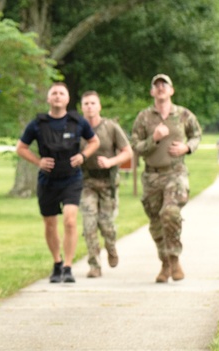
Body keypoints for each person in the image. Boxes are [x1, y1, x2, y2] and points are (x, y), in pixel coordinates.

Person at [17, 82, 99, 284]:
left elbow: (94, 141)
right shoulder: (38, 123)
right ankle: (57, 262)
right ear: (48, 98)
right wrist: (38, 161)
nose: (57, 96)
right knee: (50, 223)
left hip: (72, 178)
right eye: (54, 93)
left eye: (62, 93)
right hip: (47, 181)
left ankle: (68, 267)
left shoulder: (77, 121)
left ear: (68, 98)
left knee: (70, 221)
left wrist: (83, 155)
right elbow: (21, 148)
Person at [130, 74, 202, 283]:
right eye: (156, 85)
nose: (160, 88)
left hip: (175, 172)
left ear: (171, 90)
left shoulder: (183, 115)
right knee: (155, 223)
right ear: (152, 92)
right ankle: (165, 262)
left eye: (164, 85)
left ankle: (174, 257)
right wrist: (154, 139)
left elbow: (196, 135)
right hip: (151, 175)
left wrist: (187, 147)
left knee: (170, 212)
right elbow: (135, 147)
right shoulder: (143, 118)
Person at [78, 91, 133, 278]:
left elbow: (127, 152)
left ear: (99, 106)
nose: (89, 107)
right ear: (81, 107)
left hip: (107, 182)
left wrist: (111, 162)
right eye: (86, 103)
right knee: (89, 223)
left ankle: (111, 246)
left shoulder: (110, 127)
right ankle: (94, 264)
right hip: (86, 182)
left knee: (106, 224)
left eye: (93, 103)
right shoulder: (77, 128)